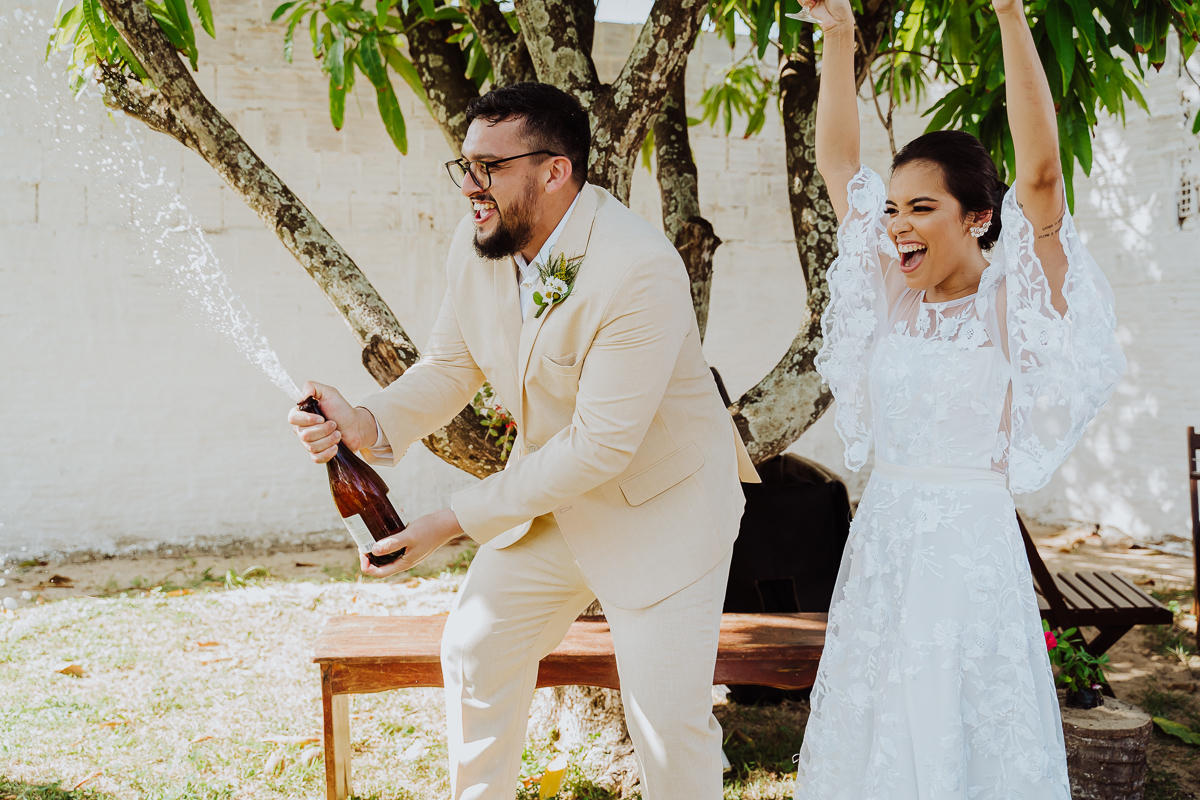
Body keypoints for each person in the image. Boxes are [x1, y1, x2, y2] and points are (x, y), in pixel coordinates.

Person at [288, 82, 759, 800]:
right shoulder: (480, 242)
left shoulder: (640, 268)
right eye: (466, 165)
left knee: (669, 726)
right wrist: (369, 421)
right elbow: (452, 363)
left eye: (490, 168)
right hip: (553, 501)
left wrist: (450, 523)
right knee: (476, 650)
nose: (470, 186)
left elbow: (602, 446)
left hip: (662, 509)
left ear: (554, 170)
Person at [792, 0, 1126, 796]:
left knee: (963, 729)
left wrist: (1012, 12)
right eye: (895, 209)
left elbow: (1041, 174)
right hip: (885, 542)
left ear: (979, 218)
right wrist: (838, 37)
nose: (897, 226)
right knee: (879, 728)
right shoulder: (893, 291)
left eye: (922, 208)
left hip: (969, 551)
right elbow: (841, 167)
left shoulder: (1015, 301)